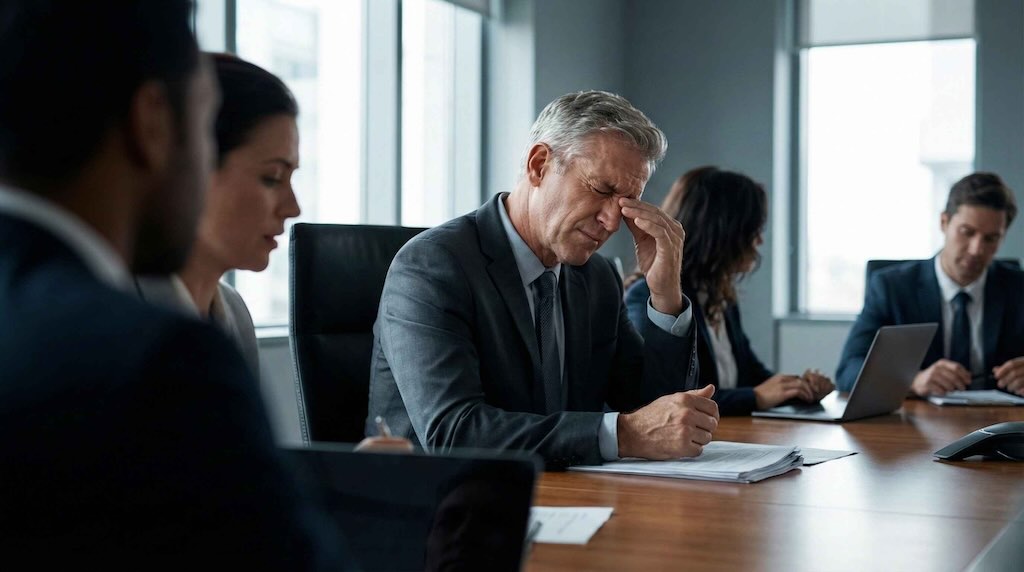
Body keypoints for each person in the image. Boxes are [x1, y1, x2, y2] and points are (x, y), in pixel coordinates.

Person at [0, 1, 349, 567]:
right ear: (154, 123)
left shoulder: (216, 319)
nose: (291, 207)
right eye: (270, 177)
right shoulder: (159, 359)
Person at [367, 90, 718, 469]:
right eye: (601, 190)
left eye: (625, 204)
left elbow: (660, 417)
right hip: (448, 505)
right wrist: (626, 434)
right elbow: (453, 432)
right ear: (539, 165)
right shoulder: (432, 266)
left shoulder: (597, 277)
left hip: (567, 496)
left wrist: (665, 295)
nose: (612, 222)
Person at [136, 54, 301, 378]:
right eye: (271, 178)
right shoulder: (112, 312)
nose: (293, 208)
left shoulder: (235, 315)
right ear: (192, 166)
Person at [624, 167, 833, 415]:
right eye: (753, 230)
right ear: (723, 232)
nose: (759, 241)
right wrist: (755, 397)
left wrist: (798, 387)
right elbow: (666, 397)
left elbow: (751, 374)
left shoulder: (720, 296)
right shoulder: (650, 298)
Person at [836, 172, 1024, 397]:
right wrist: (913, 381)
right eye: (967, 232)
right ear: (944, 222)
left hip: (999, 425)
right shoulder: (893, 288)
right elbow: (849, 370)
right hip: (916, 424)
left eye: (991, 239)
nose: (977, 249)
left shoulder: (1018, 289)